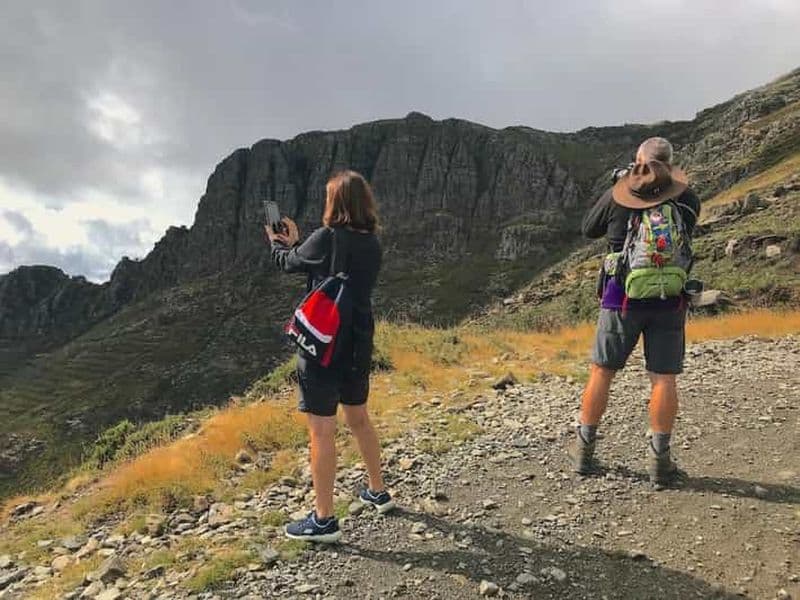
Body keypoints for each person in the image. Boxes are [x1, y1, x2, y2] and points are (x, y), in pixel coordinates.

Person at [266, 170, 394, 543]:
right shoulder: (372, 243)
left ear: (334, 202)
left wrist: (277, 243)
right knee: (359, 418)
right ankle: (378, 491)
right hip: (357, 341)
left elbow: (289, 264)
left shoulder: (328, 237)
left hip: (323, 344)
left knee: (321, 430)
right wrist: (299, 242)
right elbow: (334, 266)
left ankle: (324, 520)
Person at [571, 137, 701, 488]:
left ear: (638, 161)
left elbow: (589, 228)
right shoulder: (687, 199)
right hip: (670, 299)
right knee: (663, 378)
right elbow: (688, 234)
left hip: (620, 298)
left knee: (603, 371)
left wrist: (621, 183)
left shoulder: (620, 194)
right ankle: (660, 464)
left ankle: (584, 456)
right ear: (670, 165)